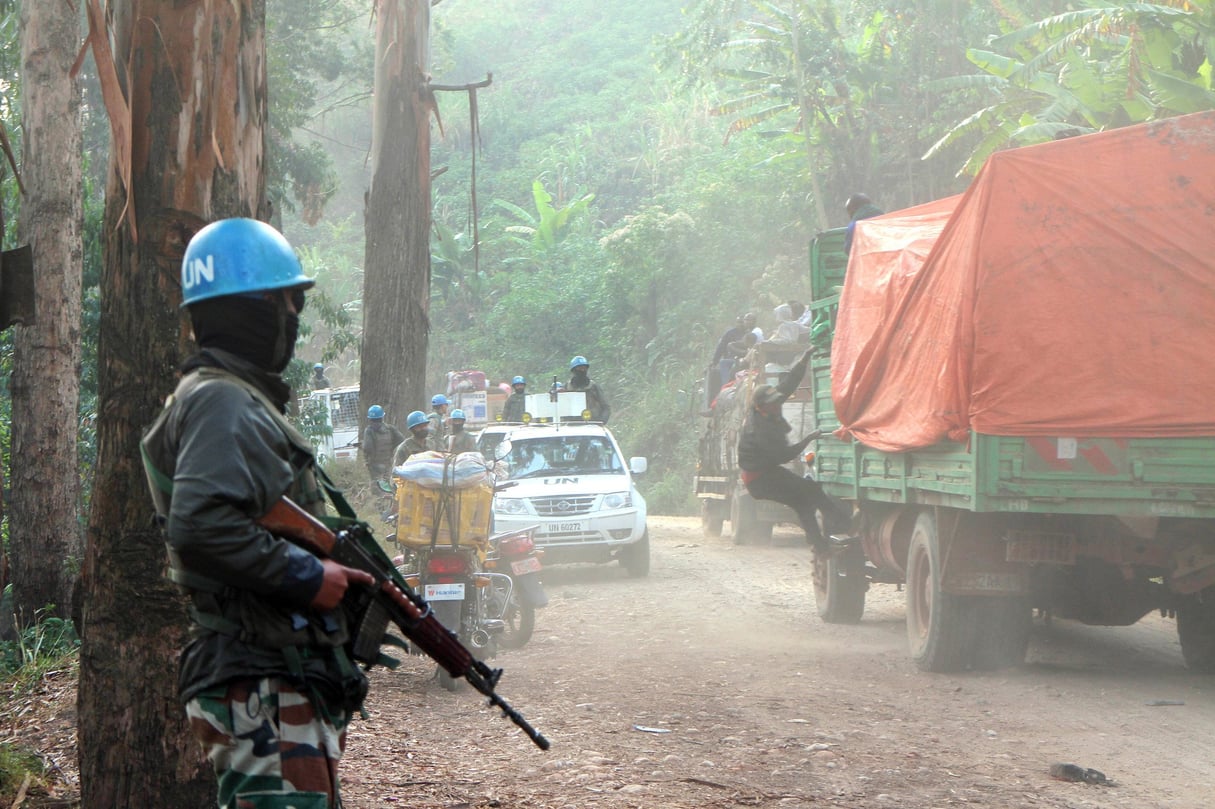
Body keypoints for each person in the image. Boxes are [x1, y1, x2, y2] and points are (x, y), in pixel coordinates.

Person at [139, 218, 379, 808]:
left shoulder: (231, 397)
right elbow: (198, 524)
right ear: (255, 309)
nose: (295, 317)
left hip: (270, 671)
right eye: (288, 303)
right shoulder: (220, 399)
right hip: (258, 680)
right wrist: (308, 577)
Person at [736, 348, 853, 553]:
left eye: (776, 402)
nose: (776, 406)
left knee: (803, 502)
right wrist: (808, 438)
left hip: (766, 471)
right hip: (760, 479)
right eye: (772, 404)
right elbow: (784, 455)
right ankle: (845, 524)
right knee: (811, 491)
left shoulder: (765, 408)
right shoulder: (759, 428)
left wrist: (803, 361)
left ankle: (820, 546)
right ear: (760, 406)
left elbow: (787, 386)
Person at [363, 405, 404, 483]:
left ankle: (379, 495)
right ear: (382, 417)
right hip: (389, 462)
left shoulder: (369, 431)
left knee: (377, 484)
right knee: (389, 482)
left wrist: (368, 461)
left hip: (375, 464)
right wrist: (392, 451)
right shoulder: (390, 428)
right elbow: (402, 440)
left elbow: (368, 448)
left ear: (370, 419)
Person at [567, 355, 611, 424]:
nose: (582, 370)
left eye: (584, 368)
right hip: (571, 425)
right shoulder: (567, 387)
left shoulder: (593, 387)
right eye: (579, 368)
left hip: (592, 424)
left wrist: (601, 422)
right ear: (573, 370)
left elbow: (606, 407)